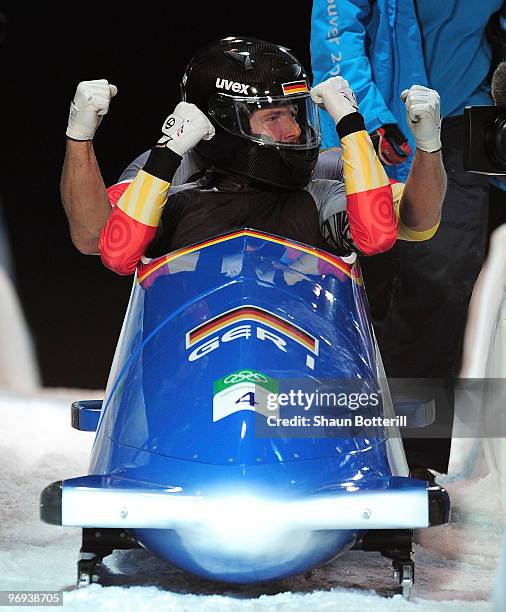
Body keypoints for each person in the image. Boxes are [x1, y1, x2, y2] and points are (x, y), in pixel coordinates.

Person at [311, 0, 503, 477]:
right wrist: (367, 119)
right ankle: (327, 448)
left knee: (438, 291)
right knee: (349, 288)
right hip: (366, 127)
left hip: (458, 127)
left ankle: (412, 460)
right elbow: (337, 28)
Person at [84, 38, 445, 283]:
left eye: (293, 113)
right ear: (221, 123)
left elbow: (379, 235)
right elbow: (116, 251)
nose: (292, 130)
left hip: (299, 370)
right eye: (273, 118)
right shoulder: (169, 179)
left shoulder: (324, 182)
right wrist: (164, 155)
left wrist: (352, 125)